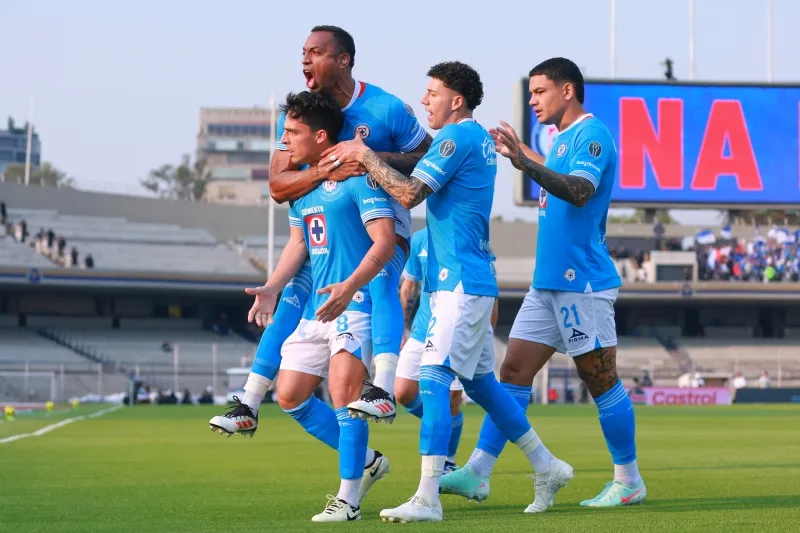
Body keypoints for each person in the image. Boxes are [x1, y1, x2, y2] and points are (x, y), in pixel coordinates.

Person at [324, 61, 572, 523]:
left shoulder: (458, 138)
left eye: (432, 92)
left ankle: (427, 497)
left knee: (433, 382)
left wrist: (365, 157)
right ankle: (546, 464)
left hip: (459, 284)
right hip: (459, 283)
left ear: (456, 100)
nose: (424, 101)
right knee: (481, 384)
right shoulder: (469, 140)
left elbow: (408, 194)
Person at [208, 25, 430, 435]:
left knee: (380, 278)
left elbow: (429, 157)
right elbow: (278, 185)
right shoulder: (296, 117)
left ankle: (382, 387)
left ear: (343, 60)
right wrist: (327, 169)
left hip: (380, 221)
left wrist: (368, 156)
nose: (305, 60)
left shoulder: (386, 108)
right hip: (326, 226)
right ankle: (250, 401)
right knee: (291, 295)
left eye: (315, 52)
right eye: (303, 53)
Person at [446, 57, 645, 508]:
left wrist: (524, 162)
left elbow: (578, 190)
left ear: (567, 90)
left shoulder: (592, 136)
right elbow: (555, 177)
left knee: (601, 381)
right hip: (548, 283)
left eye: (539, 92)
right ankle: (478, 472)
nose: (532, 100)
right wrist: (526, 156)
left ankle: (628, 479)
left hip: (582, 283)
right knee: (512, 371)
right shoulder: (559, 141)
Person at [237, 91, 396, 522]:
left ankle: (349, 500)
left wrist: (351, 286)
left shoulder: (359, 177)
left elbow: (384, 240)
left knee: (345, 393)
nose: (283, 141)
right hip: (316, 306)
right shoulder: (302, 187)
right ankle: (368, 463)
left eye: (291, 132)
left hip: (355, 301)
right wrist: (272, 286)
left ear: (320, 135)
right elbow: (297, 244)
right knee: (289, 397)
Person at [395, 228, 500, 473]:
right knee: (402, 392)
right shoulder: (420, 238)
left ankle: (448, 460)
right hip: (422, 330)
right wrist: (401, 329)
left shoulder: (471, 233)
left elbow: (490, 292)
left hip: (456, 331)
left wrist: (486, 333)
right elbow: (408, 286)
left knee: (452, 398)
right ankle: (439, 424)